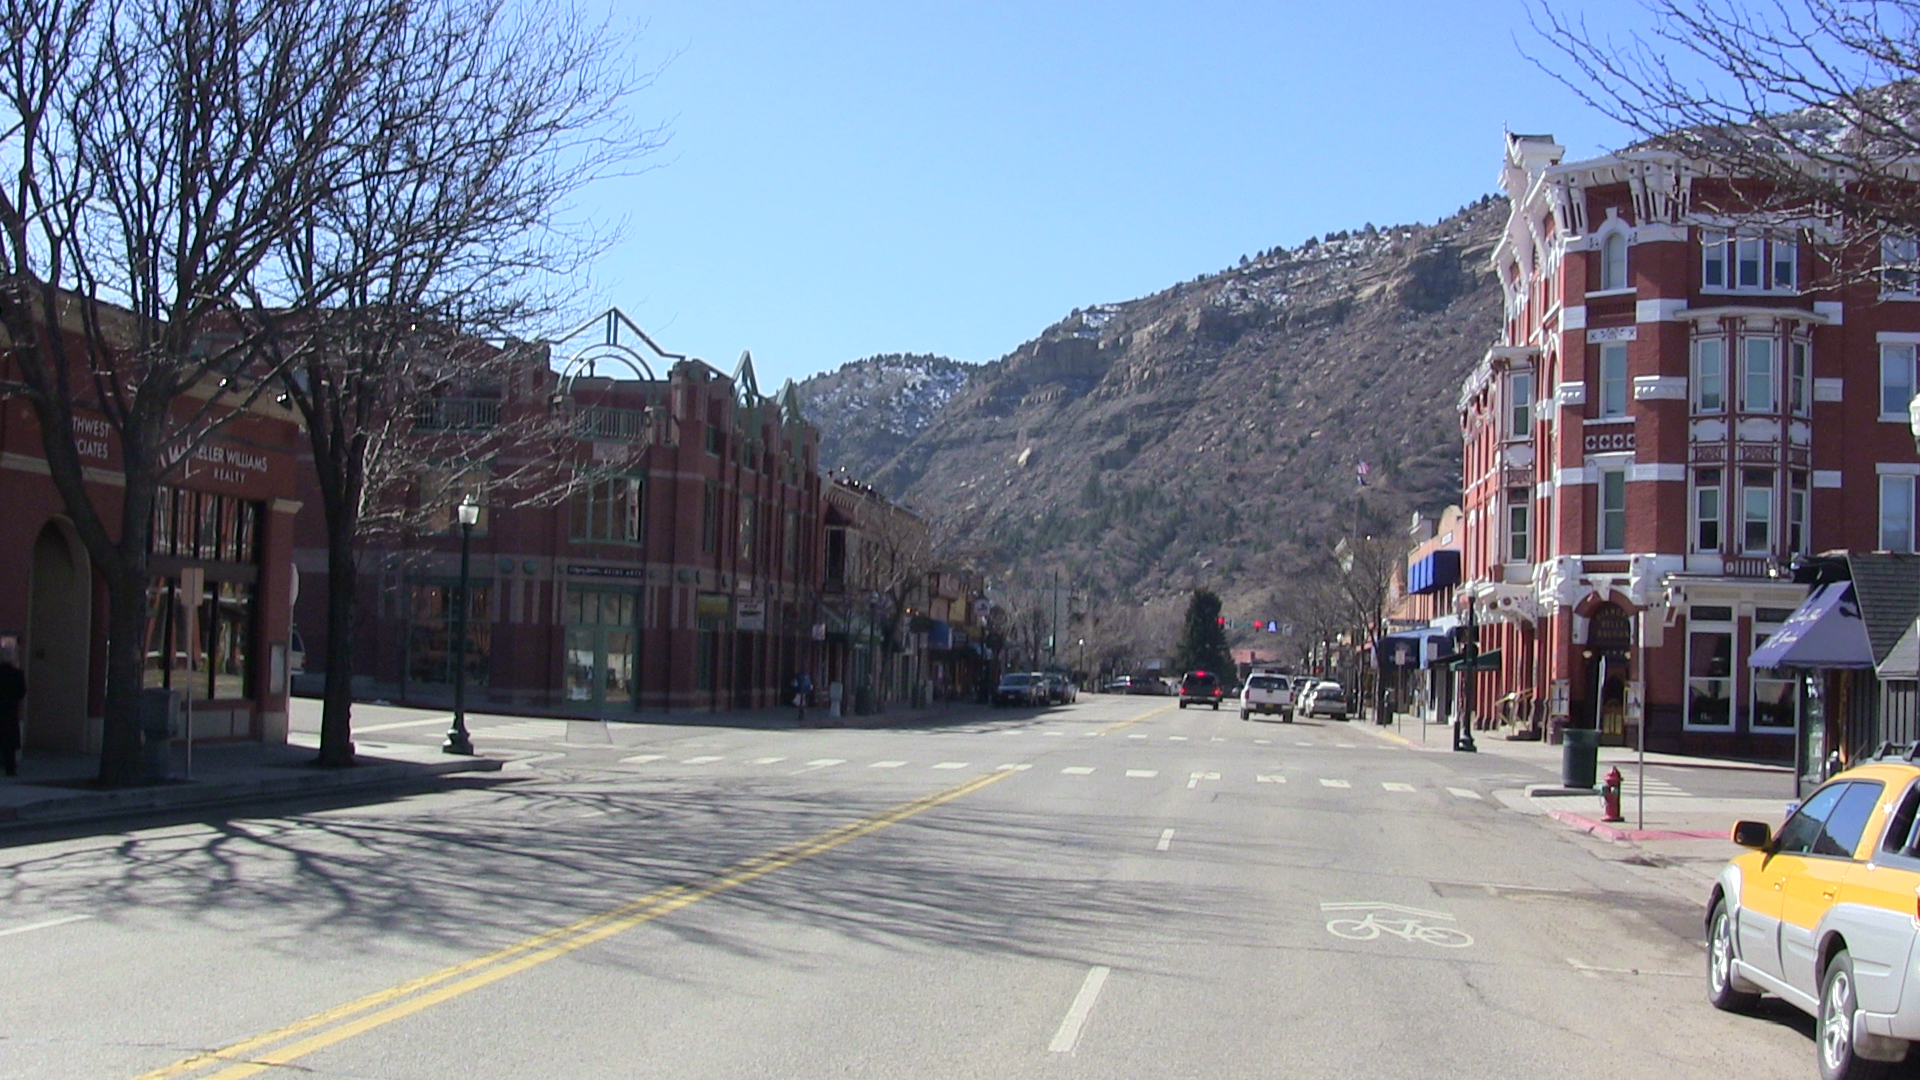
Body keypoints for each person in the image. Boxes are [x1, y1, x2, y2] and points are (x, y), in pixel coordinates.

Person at [0, 653, 24, 777]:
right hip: (10, 710)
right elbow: (22, 692)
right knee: (9, 742)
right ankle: (10, 768)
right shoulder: (17, 674)